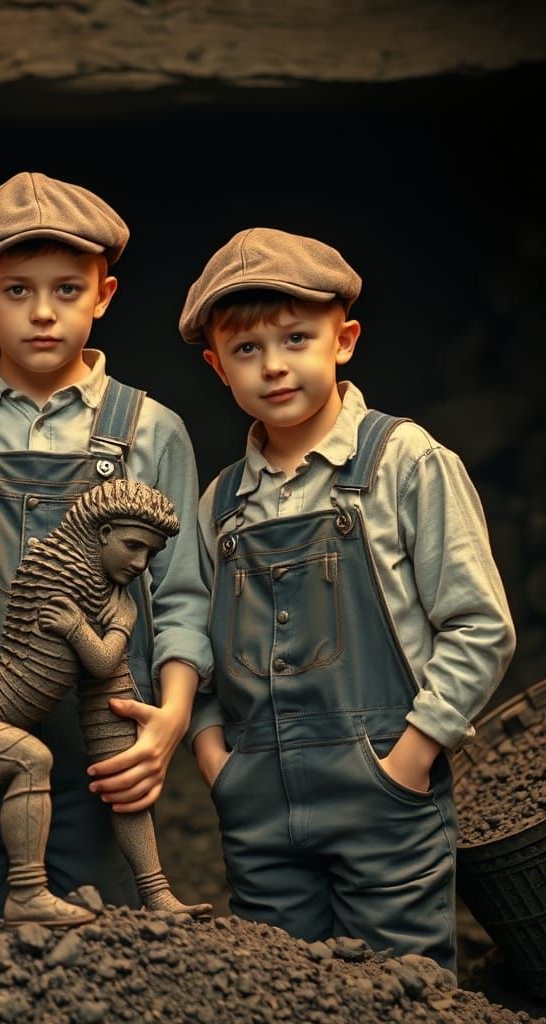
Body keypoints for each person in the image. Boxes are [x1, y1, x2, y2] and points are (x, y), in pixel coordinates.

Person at [0, 171, 211, 929]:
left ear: (105, 294)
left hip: (101, 737)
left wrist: (171, 718)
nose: (43, 312)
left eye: (66, 289)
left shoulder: (153, 431)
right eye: (17, 290)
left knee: (99, 948)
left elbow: (184, 596)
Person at [181, 226, 516, 970]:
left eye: (297, 338)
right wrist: (217, 761)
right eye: (246, 349)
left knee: (403, 990)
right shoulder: (218, 507)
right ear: (216, 367)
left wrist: (410, 757)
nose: (274, 365)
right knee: (280, 990)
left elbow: (479, 625)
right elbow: (194, 656)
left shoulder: (406, 462)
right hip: (258, 811)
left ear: (345, 339)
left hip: (384, 798)